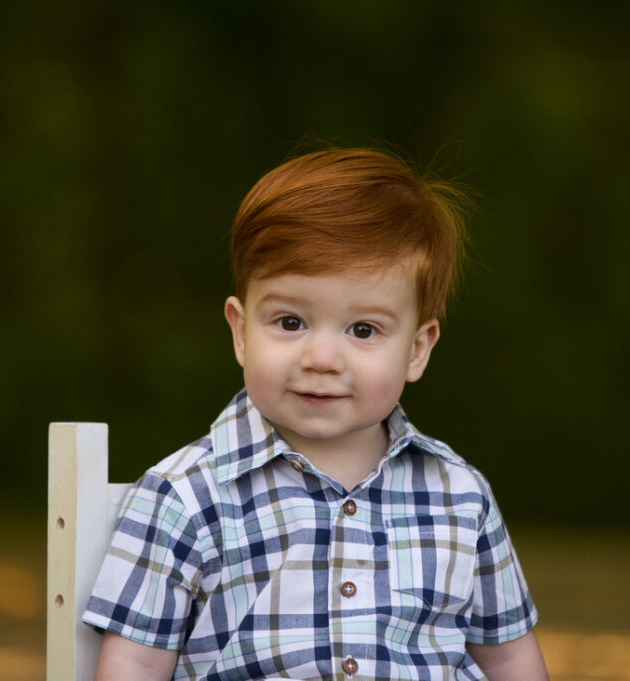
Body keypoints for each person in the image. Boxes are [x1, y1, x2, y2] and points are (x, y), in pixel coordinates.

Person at [82, 148, 549, 681]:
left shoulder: (459, 496)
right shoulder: (185, 496)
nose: (321, 359)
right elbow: (136, 664)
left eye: (363, 330)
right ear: (240, 331)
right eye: (289, 321)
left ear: (418, 349)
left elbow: (509, 656)